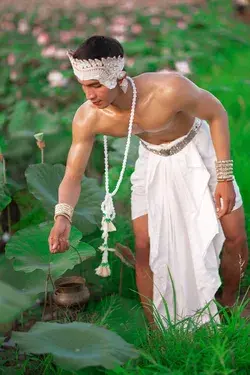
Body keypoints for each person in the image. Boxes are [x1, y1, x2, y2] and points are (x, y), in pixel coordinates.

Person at [48, 35, 248, 328]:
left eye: (96, 85)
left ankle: (229, 301)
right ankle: (156, 328)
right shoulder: (88, 118)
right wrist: (63, 217)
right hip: (152, 160)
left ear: (120, 78)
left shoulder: (169, 89)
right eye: (84, 87)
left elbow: (216, 114)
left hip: (197, 149)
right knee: (145, 246)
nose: (89, 95)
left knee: (234, 235)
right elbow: (72, 175)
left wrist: (224, 177)